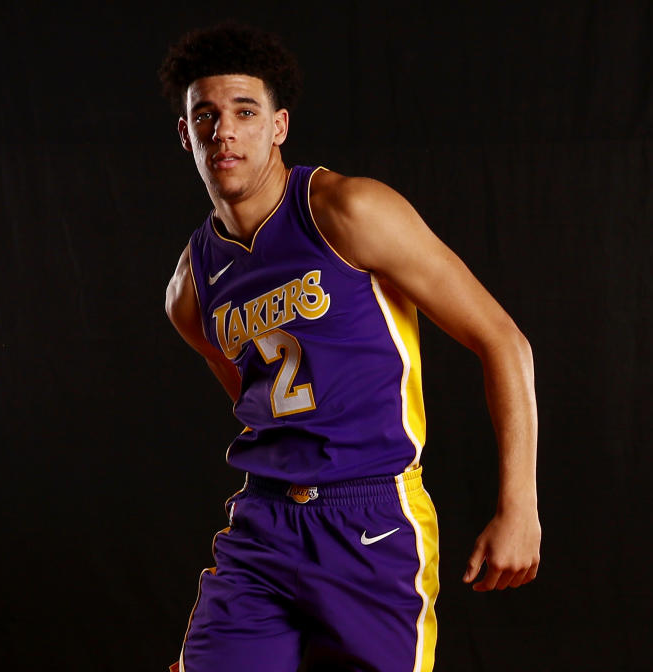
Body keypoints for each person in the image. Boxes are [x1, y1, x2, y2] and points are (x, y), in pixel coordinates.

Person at [159, 23, 540, 672]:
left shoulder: (346, 210)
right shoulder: (191, 289)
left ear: (278, 127)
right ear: (186, 133)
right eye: (206, 115)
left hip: (370, 520)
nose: (223, 130)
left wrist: (520, 508)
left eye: (244, 112)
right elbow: (253, 396)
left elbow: (502, 339)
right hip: (264, 525)